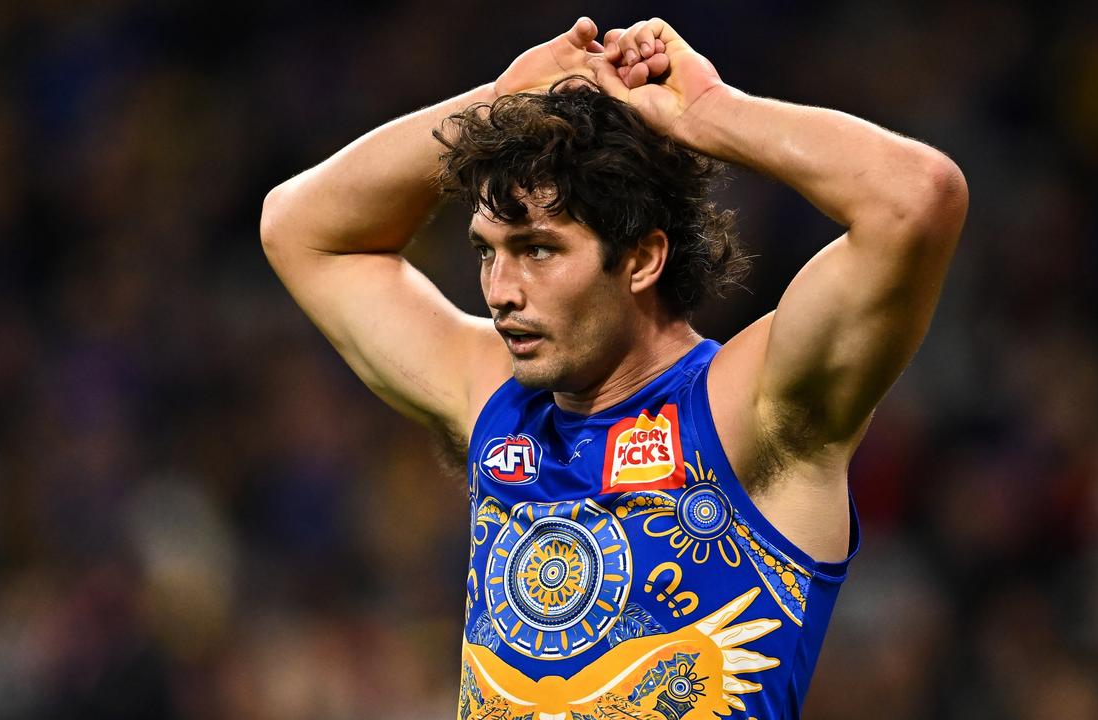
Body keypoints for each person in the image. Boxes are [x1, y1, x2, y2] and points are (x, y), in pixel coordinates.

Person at [260, 16, 966, 719]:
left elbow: (916, 198)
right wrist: (496, 103)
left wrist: (714, 114)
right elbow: (298, 228)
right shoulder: (491, 399)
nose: (500, 289)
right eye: (486, 251)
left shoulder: (751, 411)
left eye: (537, 249)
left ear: (641, 258)